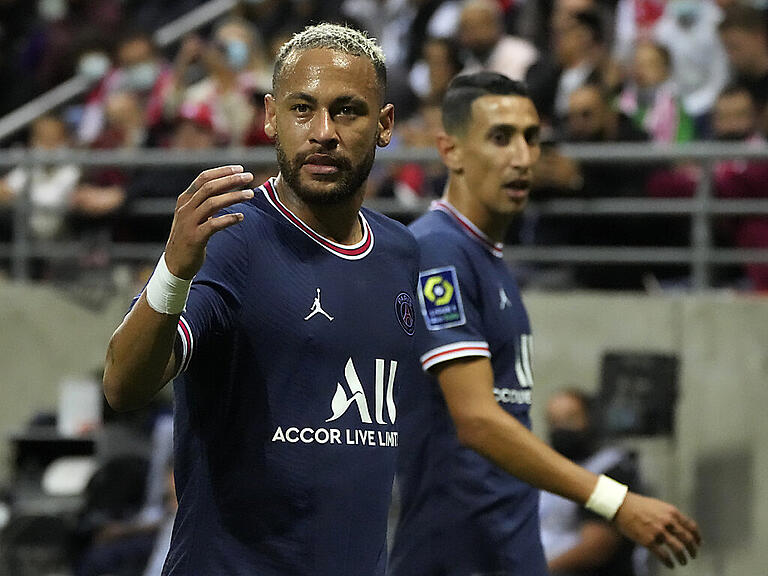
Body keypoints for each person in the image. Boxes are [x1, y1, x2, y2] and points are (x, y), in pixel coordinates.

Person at [103, 23, 419, 576]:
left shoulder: (400, 252)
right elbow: (122, 385)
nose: (323, 132)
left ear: (385, 124)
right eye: (303, 109)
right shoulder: (232, 236)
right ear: (271, 116)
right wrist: (173, 271)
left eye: (347, 111)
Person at [388, 72, 700, 576]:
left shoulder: (487, 257)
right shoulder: (439, 252)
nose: (523, 157)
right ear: (450, 151)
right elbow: (477, 420)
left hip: (506, 548)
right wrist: (615, 500)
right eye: (500, 137)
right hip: (458, 555)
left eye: (531, 138)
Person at [540, 389, 643, 576]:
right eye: (554, 422)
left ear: (590, 419)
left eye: (570, 419)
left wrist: (539, 570)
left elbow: (597, 546)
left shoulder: (611, 469)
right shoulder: (545, 467)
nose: (561, 429)